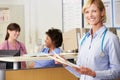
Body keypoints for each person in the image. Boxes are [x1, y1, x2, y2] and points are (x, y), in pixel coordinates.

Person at [55, 0, 120, 80]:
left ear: (102, 12)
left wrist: (93, 73)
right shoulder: (83, 40)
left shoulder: (111, 39)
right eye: (87, 12)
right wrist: (66, 64)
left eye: (94, 11)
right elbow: (80, 73)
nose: (90, 15)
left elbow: (117, 72)